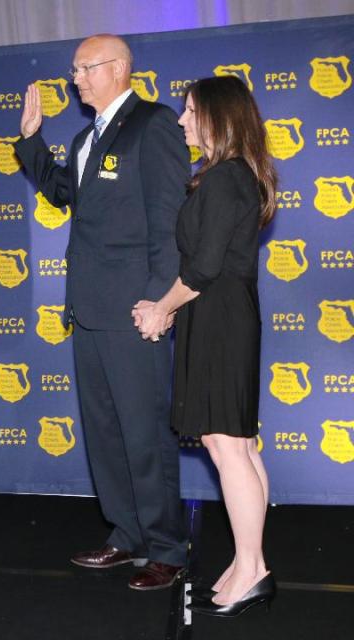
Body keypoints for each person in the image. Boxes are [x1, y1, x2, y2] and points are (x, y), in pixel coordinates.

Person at [14, 34, 189, 589]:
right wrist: (31, 142)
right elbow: (67, 194)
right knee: (106, 432)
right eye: (74, 71)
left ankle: (167, 547)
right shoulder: (86, 136)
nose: (75, 79)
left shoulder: (153, 124)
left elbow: (170, 220)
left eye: (85, 69)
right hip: (87, 310)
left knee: (144, 432)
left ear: (118, 69)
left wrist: (161, 301)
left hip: (135, 309)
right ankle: (126, 534)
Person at [133, 76, 277, 616]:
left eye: (191, 111)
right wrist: (173, 308)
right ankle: (250, 563)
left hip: (218, 317)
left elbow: (203, 267)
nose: (181, 120)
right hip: (219, 315)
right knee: (236, 444)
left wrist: (160, 307)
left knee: (227, 444)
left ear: (219, 116)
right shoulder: (231, 177)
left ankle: (253, 566)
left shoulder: (224, 180)